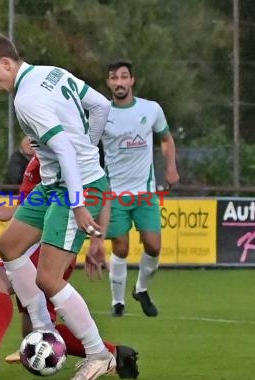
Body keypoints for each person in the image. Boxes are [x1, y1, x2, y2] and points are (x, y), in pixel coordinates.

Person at [0, 33, 119, 380]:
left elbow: (62, 148)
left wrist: (78, 201)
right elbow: (102, 107)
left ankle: (99, 355)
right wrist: (88, 145)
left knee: (48, 278)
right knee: (9, 246)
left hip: (72, 189)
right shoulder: (53, 73)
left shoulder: (27, 98)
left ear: (5, 63)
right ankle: (43, 327)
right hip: (52, 186)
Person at [0, 155, 139, 380]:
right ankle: (116, 354)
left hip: (49, 243)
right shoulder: (38, 160)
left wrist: (98, 239)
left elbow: (101, 191)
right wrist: (13, 211)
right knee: (36, 332)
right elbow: (33, 204)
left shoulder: (61, 150)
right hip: (36, 240)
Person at [101, 61, 179, 317]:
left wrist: (170, 167)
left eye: (124, 77)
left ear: (132, 80)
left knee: (154, 246)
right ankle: (117, 303)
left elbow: (165, 138)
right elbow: (88, 147)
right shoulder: (101, 114)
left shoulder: (151, 109)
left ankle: (141, 289)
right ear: (108, 83)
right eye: (114, 78)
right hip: (115, 193)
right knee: (120, 247)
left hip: (145, 192)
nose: (119, 82)